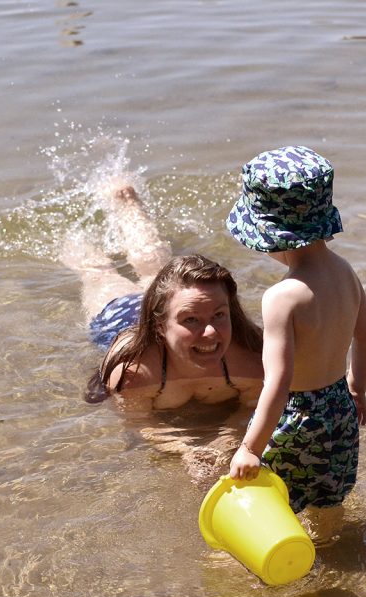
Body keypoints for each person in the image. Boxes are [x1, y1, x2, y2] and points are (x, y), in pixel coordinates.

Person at [61, 179, 265, 484]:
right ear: (159, 324)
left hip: (171, 307)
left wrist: (222, 443)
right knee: (99, 272)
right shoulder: (134, 370)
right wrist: (186, 448)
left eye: (219, 316)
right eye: (192, 321)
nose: (210, 333)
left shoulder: (250, 358)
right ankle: (69, 234)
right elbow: (139, 421)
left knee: (156, 271)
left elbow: (254, 408)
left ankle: (125, 199)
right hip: (118, 317)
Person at [224, 145, 366, 543]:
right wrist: (357, 387)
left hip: (299, 415)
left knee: (270, 500)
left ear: (273, 236)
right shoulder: (346, 272)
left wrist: (250, 448)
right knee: (329, 494)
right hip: (339, 405)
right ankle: (332, 547)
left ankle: (283, 560)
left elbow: (278, 381)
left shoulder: (283, 297)